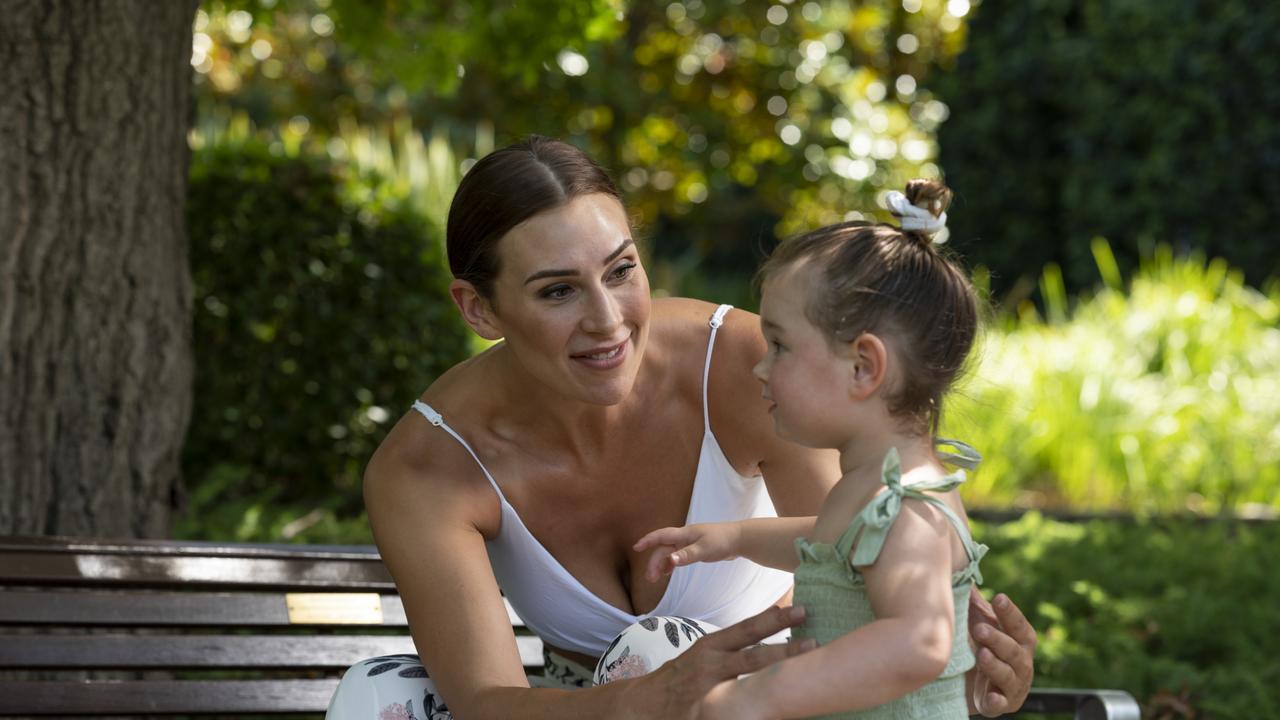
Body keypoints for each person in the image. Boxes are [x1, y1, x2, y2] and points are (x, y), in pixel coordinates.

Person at [326, 137, 1035, 720]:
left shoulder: (747, 365)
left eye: (621, 270)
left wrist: (975, 668)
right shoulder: (427, 469)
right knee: (377, 702)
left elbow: (878, 565)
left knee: (660, 646)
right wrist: (643, 702)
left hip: (778, 695)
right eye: (558, 290)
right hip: (594, 712)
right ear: (479, 311)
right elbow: (485, 701)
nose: (608, 321)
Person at [633, 179, 993, 719]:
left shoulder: (908, 504)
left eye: (779, 346)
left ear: (862, 367)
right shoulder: (876, 489)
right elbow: (830, 545)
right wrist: (731, 537)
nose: (760, 365)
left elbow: (921, 641)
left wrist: (759, 696)